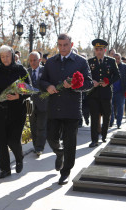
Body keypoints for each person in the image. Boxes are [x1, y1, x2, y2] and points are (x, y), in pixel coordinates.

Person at [40, 33, 93, 185]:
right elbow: (42, 80)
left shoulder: (81, 62)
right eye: (60, 45)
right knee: (51, 137)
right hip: (54, 108)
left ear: (71, 44)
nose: (62, 48)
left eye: (65, 45)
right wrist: (48, 86)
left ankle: (65, 172)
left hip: (71, 109)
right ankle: (59, 152)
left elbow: (89, 83)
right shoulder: (50, 62)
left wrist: (75, 86)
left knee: (70, 142)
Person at [0, 45, 30, 179]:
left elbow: (29, 88)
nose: (5, 59)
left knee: (13, 140)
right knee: (1, 141)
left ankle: (19, 156)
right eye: (2, 57)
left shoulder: (20, 70)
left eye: (7, 56)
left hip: (17, 112)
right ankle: (5, 169)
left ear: (12, 56)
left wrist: (19, 96)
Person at [87, 39, 120, 147]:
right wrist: (92, 82)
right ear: (94, 50)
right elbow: (86, 76)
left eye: (101, 49)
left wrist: (108, 82)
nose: (99, 51)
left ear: (104, 50)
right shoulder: (90, 62)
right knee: (94, 117)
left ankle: (104, 135)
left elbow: (117, 76)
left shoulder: (111, 61)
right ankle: (94, 139)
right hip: (94, 94)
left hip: (106, 94)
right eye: (97, 49)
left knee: (106, 115)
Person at [28, 52, 48, 156]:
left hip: (43, 103)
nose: (32, 62)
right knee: (33, 126)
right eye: (30, 60)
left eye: (35, 60)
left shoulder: (45, 71)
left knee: (41, 126)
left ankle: (40, 148)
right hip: (30, 104)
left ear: (39, 60)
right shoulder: (27, 72)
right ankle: (36, 146)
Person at [110, 53, 126, 129]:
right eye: (115, 59)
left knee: (120, 107)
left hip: (121, 90)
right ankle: (111, 121)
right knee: (110, 107)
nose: (117, 60)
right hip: (111, 90)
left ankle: (119, 123)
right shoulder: (109, 66)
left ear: (120, 59)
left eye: (118, 59)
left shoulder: (125, 67)